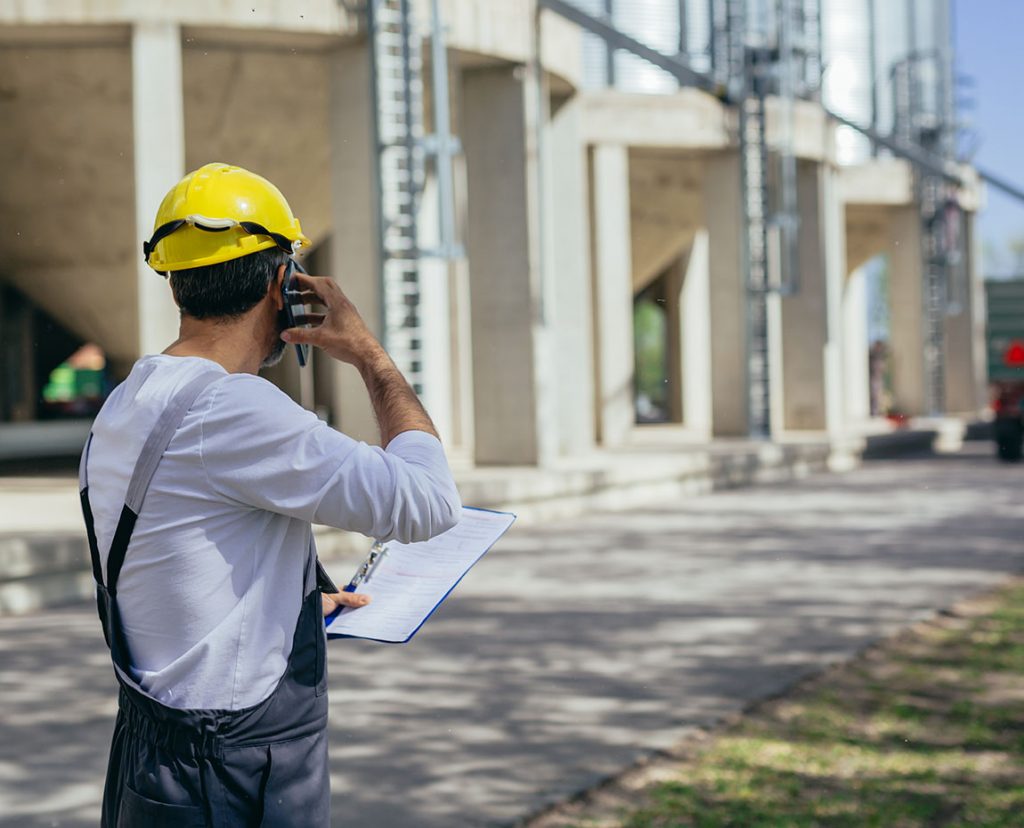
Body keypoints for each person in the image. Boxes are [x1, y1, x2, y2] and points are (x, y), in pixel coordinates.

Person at [78, 162, 461, 826]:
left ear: (175, 282)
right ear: (283, 282)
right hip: (233, 774)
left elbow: (177, 546)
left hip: (152, 756)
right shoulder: (234, 409)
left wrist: (287, 598)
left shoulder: (130, 398)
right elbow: (429, 501)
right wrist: (371, 355)